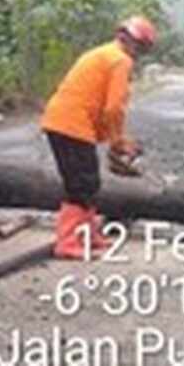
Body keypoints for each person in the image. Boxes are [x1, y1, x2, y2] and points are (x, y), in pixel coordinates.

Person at [41, 15, 156, 259]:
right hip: (70, 124)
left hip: (67, 122)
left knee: (89, 182)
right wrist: (117, 143)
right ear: (137, 44)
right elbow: (114, 108)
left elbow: (103, 106)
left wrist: (116, 140)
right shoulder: (120, 61)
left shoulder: (105, 53)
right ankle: (68, 242)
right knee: (81, 184)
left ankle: (88, 235)